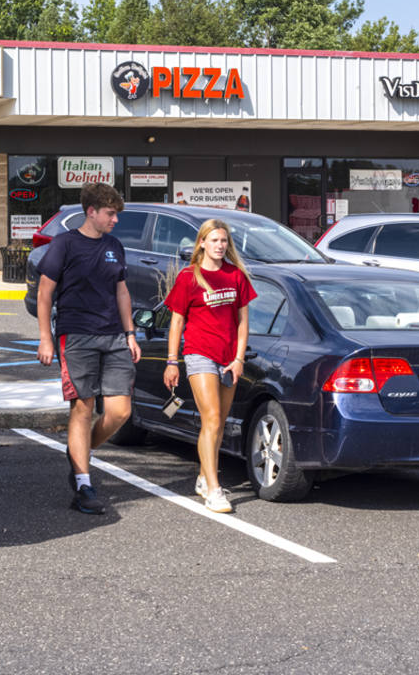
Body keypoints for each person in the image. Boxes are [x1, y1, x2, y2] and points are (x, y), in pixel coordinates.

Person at [36, 182, 141, 514]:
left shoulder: (114, 246)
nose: (115, 220)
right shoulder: (64, 245)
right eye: (111, 214)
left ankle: (78, 451)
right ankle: (83, 484)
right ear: (91, 211)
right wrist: (45, 338)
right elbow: (44, 294)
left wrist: (130, 333)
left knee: (120, 412)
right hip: (76, 336)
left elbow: (121, 291)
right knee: (82, 409)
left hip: (113, 337)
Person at [162, 218, 256, 513]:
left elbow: (243, 323)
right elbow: (176, 321)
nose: (220, 246)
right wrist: (172, 361)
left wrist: (239, 359)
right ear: (201, 243)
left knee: (217, 425)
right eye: (214, 240)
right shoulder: (189, 277)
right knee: (212, 418)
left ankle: (204, 476)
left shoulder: (236, 276)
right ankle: (214, 489)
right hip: (199, 353)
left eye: (224, 241)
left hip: (229, 359)